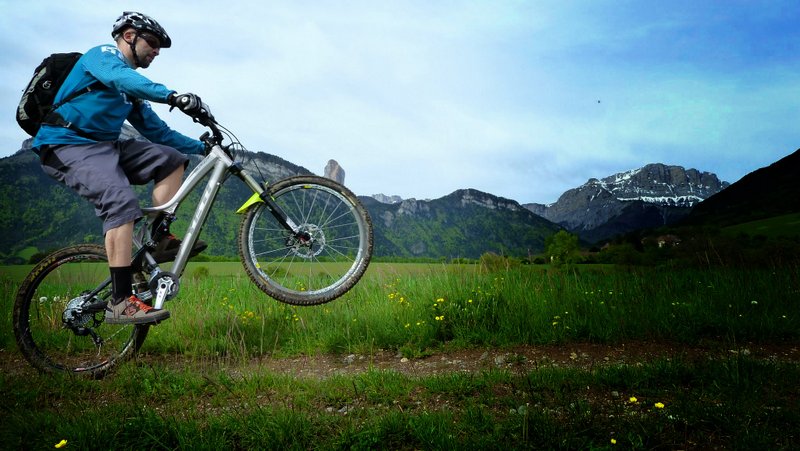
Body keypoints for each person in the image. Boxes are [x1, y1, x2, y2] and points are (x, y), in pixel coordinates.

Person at [32, 12, 208, 325]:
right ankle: (120, 302)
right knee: (121, 203)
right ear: (129, 36)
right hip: (67, 144)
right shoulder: (102, 56)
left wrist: (202, 147)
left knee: (170, 158)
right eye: (151, 43)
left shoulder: (129, 94)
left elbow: (159, 132)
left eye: (158, 48)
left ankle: (160, 237)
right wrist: (171, 95)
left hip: (105, 147)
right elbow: (119, 77)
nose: (155, 51)